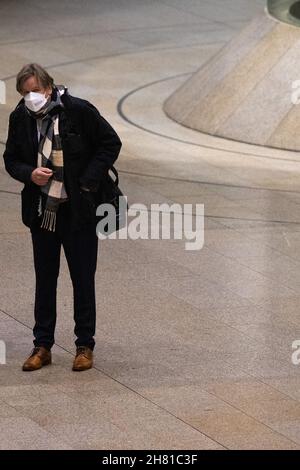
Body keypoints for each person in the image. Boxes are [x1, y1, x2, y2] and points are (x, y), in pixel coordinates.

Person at [3, 63, 122, 372]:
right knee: (45, 279)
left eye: (36, 91)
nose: (31, 98)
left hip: (77, 211)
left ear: (49, 88)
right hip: (42, 212)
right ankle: (42, 345)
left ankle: (84, 345)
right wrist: (30, 174)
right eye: (25, 93)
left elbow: (110, 143)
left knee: (82, 279)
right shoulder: (20, 118)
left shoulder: (78, 111)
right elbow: (10, 159)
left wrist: (86, 181)